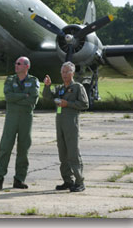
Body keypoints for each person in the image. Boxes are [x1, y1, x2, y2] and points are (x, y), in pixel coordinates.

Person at [0, 56, 40, 190]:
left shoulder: (33, 80)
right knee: (5, 147)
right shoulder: (10, 80)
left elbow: (33, 100)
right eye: (16, 63)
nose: (16, 65)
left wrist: (17, 97)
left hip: (25, 118)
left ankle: (19, 179)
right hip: (11, 118)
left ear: (27, 66)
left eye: (19, 63)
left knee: (23, 149)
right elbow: (8, 97)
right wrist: (24, 95)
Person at [43, 61, 89, 192]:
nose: (64, 74)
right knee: (62, 152)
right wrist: (47, 86)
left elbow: (85, 104)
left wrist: (67, 103)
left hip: (71, 122)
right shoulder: (60, 88)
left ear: (72, 73)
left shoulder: (78, 87)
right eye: (62, 72)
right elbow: (47, 97)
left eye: (67, 72)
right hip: (60, 122)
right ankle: (67, 180)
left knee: (73, 152)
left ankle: (80, 182)